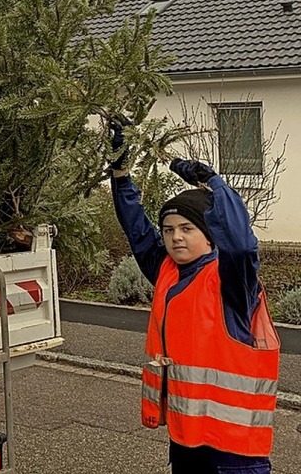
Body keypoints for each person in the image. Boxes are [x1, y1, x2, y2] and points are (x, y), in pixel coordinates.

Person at [109, 122, 280, 474]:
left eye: (187, 229)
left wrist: (215, 184)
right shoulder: (168, 271)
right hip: (186, 441)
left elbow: (242, 244)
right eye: (169, 230)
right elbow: (137, 230)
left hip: (234, 452)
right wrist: (121, 173)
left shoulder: (231, 280)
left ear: (210, 234)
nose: (175, 238)